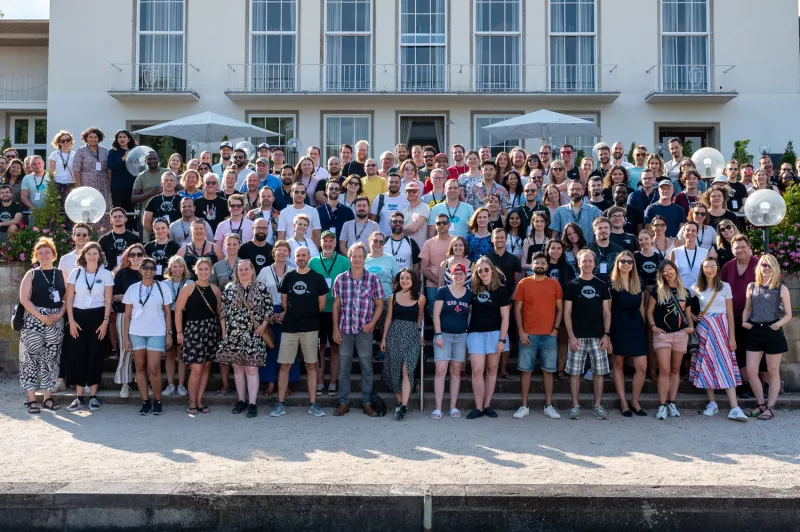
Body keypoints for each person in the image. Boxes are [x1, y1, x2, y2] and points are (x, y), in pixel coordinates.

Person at [270, 246, 328, 417]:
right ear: (294, 258)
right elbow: (284, 302)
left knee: (311, 365)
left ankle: (313, 404)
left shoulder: (317, 278)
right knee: (285, 365)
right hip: (290, 328)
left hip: (310, 328)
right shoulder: (288, 277)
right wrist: (294, 314)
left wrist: (306, 313)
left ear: (309, 257)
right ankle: (280, 403)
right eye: (298, 255)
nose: (301, 258)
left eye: (304, 255)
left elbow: (322, 304)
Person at [689, 257, 748, 421]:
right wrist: (693, 316)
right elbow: (683, 303)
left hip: (722, 329)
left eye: (713, 266)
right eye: (706, 267)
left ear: (717, 268)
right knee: (706, 363)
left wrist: (732, 337)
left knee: (726, 363)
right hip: (705, 328)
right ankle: (712, 403)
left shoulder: (725, 287)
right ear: (702, 269)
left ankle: (734, 407)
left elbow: (730, 313)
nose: (710, 269)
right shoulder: (696, 287)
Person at [331, 242, 384, 416]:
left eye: (360, 256)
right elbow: (336, 306)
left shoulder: (373, 279)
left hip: (364, 330)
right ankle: (343, 402)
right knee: (344, 368)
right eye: (354, 256)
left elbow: (379, 304)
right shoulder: (340, 279)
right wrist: (335, 329)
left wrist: (372, 324)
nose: (357, 259)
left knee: (366, 368)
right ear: (350, 258)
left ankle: (367, 402)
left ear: (364, 258)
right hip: (345, 330)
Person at [216, 259, 273, 418]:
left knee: (251, 368)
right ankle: (241, 400)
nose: (243, 272)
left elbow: (269, 310)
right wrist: (224, 332)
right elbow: (223, 312)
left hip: (254, 334)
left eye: (246, 269)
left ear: (252, 270)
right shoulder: (229, 288)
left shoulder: (261, 288)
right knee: (238, 368)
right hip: (234, 335)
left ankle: (253, 403)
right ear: (236, 272)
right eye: (240, 270)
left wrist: (263, 326)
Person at [512, 252, 563, 419]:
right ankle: (524, 405)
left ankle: (548, 405)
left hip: (549, 335)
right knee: (525, 371)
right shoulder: (523, 283)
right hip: (529, 335)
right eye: (537, 262)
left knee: (549, 371)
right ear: (531, 265)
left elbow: (560, 309)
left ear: (547, 266)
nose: (540, 265)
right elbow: (517, 310)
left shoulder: (554, 284)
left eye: (543, 263)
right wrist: (521, 331)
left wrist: (555, 329)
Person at [18, 238, 67, 414]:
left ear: (53, 254)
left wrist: (60, 314)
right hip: (33, 319)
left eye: (47, 252)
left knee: (52, 358)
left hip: (55, 320)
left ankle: (48, 397)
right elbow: (24, 299)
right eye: (40, 252)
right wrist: (40, 316)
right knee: (30, 358)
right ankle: (31, 398)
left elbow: (68, 298)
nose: (44, 255)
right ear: (36, 256)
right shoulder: (31, 274)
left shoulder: (61, 273)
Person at [63, 242, 113, 411]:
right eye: (89, 253)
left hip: (98, 317)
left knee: (95, 355)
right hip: (78, 317)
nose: (92, 256)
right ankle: (78, 397)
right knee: (78, 356)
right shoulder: (75, 273)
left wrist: (106, 321)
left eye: (95, 253)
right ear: (83, 255)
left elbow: (108, 300)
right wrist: (71, 321)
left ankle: (92, 396)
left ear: (100, 256)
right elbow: (69, 299)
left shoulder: (106, 274)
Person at [742, 255, 792, 421]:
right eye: (764, 265)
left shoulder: (780, 288)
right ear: (759, 267)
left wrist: (778, 324)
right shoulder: (751, 286)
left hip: (773, 331)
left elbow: (788, 314)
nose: (767, 268)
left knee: (772, 371)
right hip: (755, 331)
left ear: (775, 268)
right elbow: (747, 309)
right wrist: (744, 321)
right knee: (751, 371)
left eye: (770, 265)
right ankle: (760, 404)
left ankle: (770, 407)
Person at [563, 249, 611, 420]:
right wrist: (571, 336)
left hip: (598, 336)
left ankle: (597, 405)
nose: (587, 264)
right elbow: (567, 313)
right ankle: (575, 405)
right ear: (579, 263)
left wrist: (606, 334)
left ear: (594, 263)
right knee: (574, 372)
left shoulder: (601, 285)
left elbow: (607, 312)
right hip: (578, 336)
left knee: (599, 372)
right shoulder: (572, 285)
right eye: (584, 261)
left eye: (590, 261)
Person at [122, 257, 173, 416]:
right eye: (145, 267)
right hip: (136, 332)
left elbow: (167, 313)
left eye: (152, 267)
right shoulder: (132, 289)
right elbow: (127, 315)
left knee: (155, 368)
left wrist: (169, 333)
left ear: (155, 269)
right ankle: (145, 401)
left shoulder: (162, 287)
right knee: (139, 367)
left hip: (157, 332)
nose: (149, 270)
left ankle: (157, 401)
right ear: (140, 269)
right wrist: (125, 337)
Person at [463, 257, 510, 419]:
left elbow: (505, 317)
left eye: (486, 269)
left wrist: (502, 340)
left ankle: (486, 405)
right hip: (475, 333)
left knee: (492, 369)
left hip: (495, 334)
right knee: (476, 370)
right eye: (480, 270)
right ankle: (478, 407)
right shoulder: (473, 289)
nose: (483, 273)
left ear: (492, 270)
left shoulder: (501, 290)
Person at [648, 260, 694, 420]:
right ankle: (662, 405)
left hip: (680, 335)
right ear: (661, 274)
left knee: (676, 370)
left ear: (675, 270)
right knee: (664, 370)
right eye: (665, 271)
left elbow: (688, 314)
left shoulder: (685, 292)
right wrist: (653, 326)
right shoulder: (657, 290)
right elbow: (649, 311)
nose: (668, 273)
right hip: (663, 335)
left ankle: (672, 402)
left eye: (670, 270)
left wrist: (691, 327)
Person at [256, 240, 301, 398]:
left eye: (285, 250)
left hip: (289, 312)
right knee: (271, 347)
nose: (282, 253)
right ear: (274, 252)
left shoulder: (294, 271)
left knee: (289, 348)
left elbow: (297, 295)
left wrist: (285, 312)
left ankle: (288, 382)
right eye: (279, 250)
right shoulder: (264, 272)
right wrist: (270, 316)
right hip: (270, 313)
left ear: (289, 253)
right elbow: (259, 296)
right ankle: (270, 382)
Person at [381, 268, 425, 420]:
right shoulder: (393, 297)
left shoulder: (420, 298)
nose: (404, 281)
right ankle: (400, 403)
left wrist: (419, 333)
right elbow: (388, 318)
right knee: (394, 369)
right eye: (402, 278)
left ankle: (404, 405)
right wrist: (384, 338)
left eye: (407, 278)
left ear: (413, 281)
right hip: (394, 334)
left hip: (412, 335)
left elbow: (420, 317)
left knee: (407, 369)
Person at [309, 231, 350, 396]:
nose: (327, 244)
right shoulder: (313, 262)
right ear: (320, 243)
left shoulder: (343, 261)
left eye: (331, 241)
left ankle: (333, 383)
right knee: (320, 348)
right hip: (318, 311)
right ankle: (319, 383)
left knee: (335, 348)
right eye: (324, 241)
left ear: (335, 243)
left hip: (337, 312)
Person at [608, 251, 648, 417]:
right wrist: (607, 334)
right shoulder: (610, 284)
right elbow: (607, 311)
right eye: (622, 261)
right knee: (618, 366)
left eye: (629, 261)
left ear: (633, 264)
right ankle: (623, 403)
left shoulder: (639, 284)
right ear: (617, 263)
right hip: (618, 327)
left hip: (636, 327)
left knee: (642, 368)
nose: (626, 264)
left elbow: (642, 308)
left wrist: (645, 328)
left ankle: (635, 401)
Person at [720, 235, 759, 398]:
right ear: (732, 250)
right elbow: (720, 290)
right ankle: (742, 385)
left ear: (749, 247)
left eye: (743, 246)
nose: (740, 250)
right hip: (733, 317)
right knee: (739, 352)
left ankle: (757, 385)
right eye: (736, 247)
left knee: (756, 352)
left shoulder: (758, 264)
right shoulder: (727, 267)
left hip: (756, 318)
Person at [431, 263, 471, 419]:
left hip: (461, 336)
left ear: (466, 276)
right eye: (456, 273)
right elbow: (436, 315)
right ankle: (438, 408)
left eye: (461, 274)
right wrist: (438, 334)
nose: (459, 276)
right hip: (444, 335)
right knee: (441, 371)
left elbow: (470, 315)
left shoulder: (469, 294)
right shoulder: (443, 291)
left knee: (456, 371)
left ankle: (453, 406)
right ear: (451, 275)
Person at [162, 256, 192, 397]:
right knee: (169, 353)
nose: (177, 269)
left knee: (181, 354)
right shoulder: (163, 284)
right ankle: (170, 384)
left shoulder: (190, 282)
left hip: (185, 318)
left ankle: (181, 384)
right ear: (170, 268)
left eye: (180, 266)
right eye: (174, 266)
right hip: (168, 318)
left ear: (184, 268)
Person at [72, 127, 111, 222]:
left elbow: (109, 169)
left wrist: (109, 184)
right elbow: (77, 169)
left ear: (99, 138)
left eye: (95, 137)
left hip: (103, 184)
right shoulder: (81, 151)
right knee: (87, 207)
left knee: (103, 206)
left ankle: (103, 230)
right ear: (86, 138)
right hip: (87, 184)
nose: (93, 139)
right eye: (90, 137)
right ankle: (88, 230)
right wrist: (78, 186)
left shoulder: (105, 150)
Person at [421, 213, 455, 314]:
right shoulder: (428, 243)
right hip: (433, 285)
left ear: (449, 224)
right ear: (435, 226)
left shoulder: (455, 242)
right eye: (438, 223)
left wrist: (446, 283)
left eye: (444, 222)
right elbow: (423, 268)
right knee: (435, 315)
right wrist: (439, 282)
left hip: (453, 284)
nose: (441, 225)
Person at [107, 129, 138, 230]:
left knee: (130, 210)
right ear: (117, 139)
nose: (122, 139)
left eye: (124, 137)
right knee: (118, 210)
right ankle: (117, 230)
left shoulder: (135, 151)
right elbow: (111, 166)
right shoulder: (113, 152)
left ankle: (129, 231)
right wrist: (123, 158)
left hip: (131, 186)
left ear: (128, 139)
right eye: (120, 137)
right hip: (117, 187)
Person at [669, 221, 710, 290]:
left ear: (697, 234)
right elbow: (670, 273)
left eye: (693, 231)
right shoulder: (675, 252)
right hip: (681, 291)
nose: (690, 233)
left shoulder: (704, 252)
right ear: (683, 232)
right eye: (688, 230)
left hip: (699, 292)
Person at [587, 217, 623, 284]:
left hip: (615, 286)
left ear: (610, 230)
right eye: (600, 228)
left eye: (606, 228)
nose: (603, 230)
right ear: (594, 231)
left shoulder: (619, 250)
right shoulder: (587, 250)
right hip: (592, 286)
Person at [400, 181, 430, 249]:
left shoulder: (424, 207)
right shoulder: (403, 211)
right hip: (405, 249)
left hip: (419, 249)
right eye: (409, 191)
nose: (411, 193)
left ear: (419, 192)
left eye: (414, 191)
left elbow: (414, 228)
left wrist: (399, 228)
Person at [48, 129, 76, 200]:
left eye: (68, 140)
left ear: (71, 141)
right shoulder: (54, 154)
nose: (65, 142)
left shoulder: (75, 154)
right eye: (62, 141)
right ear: (59, 143)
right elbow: (51, 172)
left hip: (71, 184)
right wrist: (52, 186)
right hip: (58, 184)